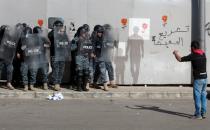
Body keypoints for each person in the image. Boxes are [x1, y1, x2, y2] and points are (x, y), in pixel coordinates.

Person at [173, 40, 207, 119]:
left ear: (192, 47)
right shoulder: (203, 53)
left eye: (190, 47)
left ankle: (198, 115)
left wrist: (175, 53)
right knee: (203, 95)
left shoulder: (193, 55)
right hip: (205, 78)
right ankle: (203, 113)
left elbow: (180, 59)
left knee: (197, 96)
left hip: (198, 79)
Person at [48, 20, 71, 91]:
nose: (59, 28)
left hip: (62, 55)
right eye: (58, 26)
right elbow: (50, 36)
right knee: (55, 70)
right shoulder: (52, 33)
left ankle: (58, 83)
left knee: (61, 70)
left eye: (60, 26)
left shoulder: (63, 34)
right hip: (54, 55)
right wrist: (55, 31)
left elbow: (67, 43)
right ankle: (55, 84)